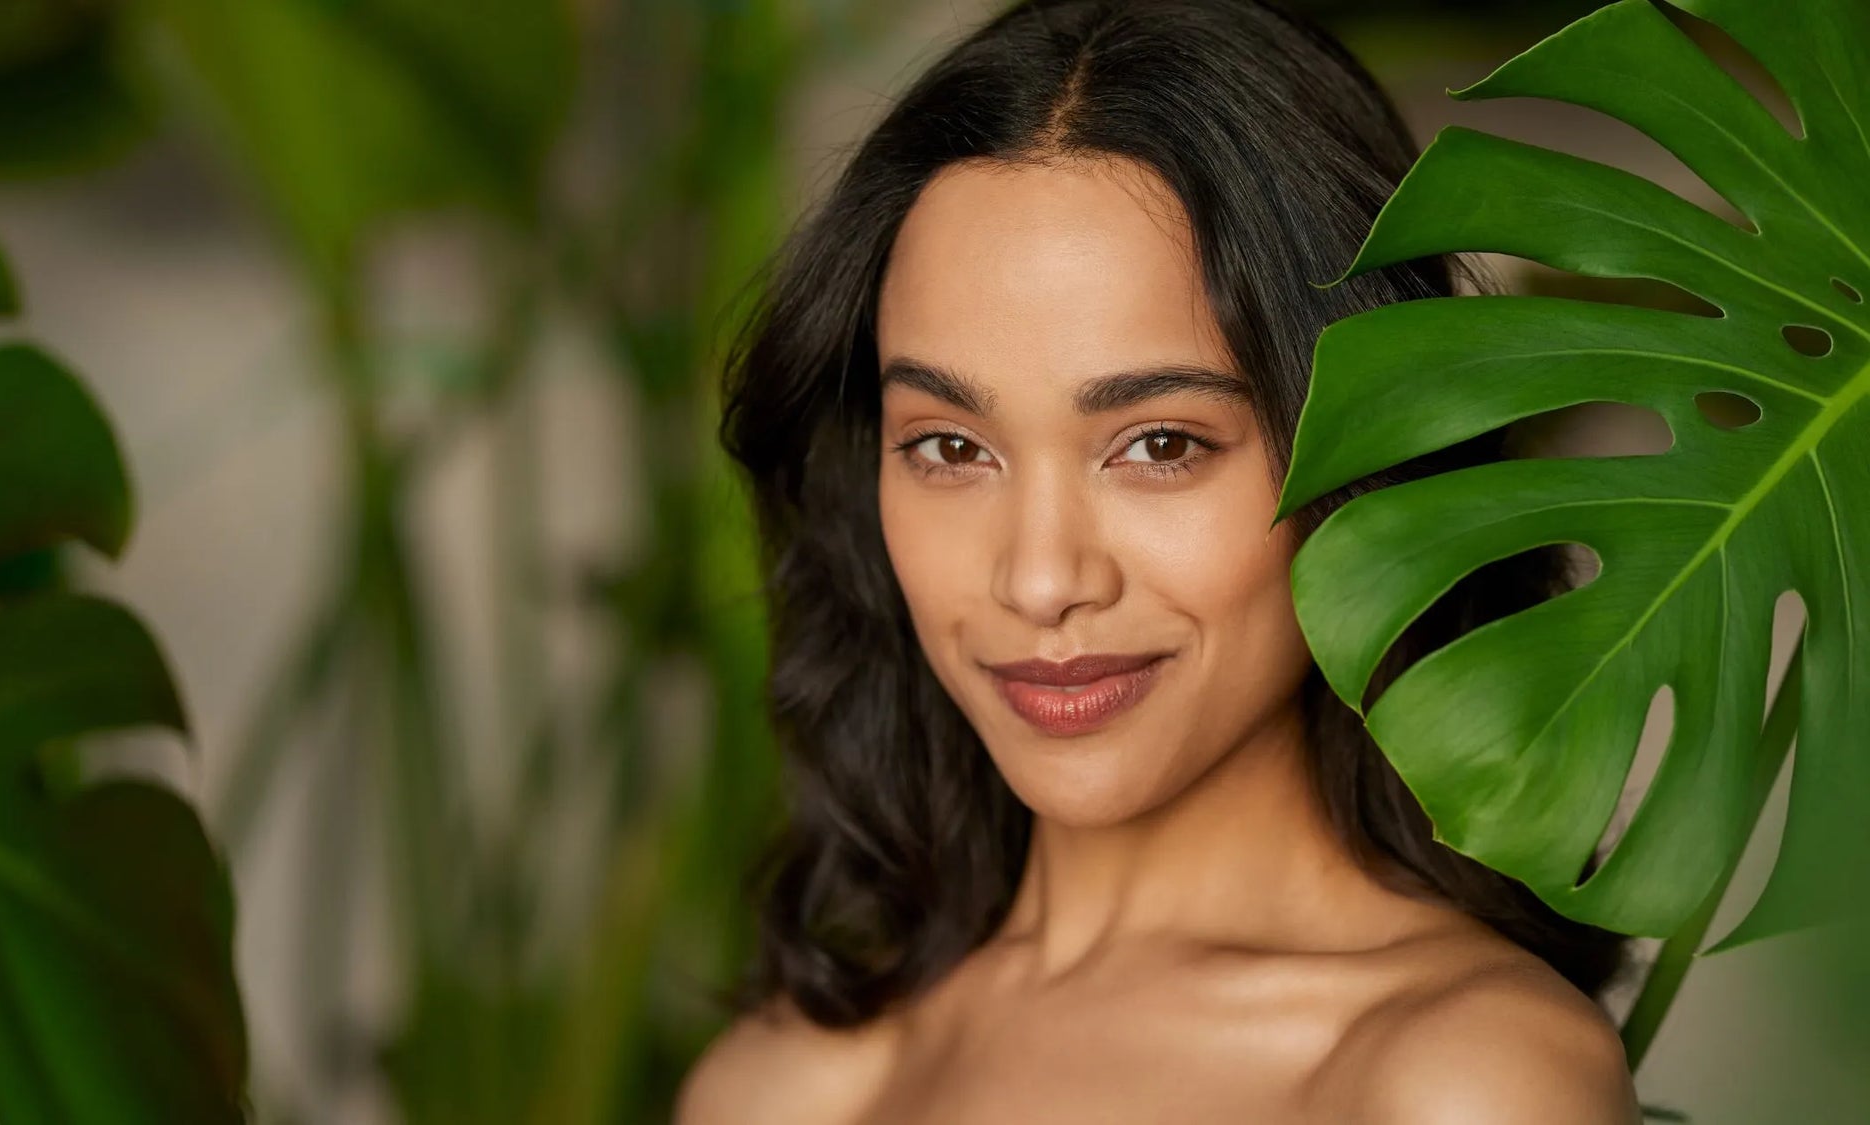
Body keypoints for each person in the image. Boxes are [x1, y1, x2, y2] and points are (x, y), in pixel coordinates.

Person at [681, 0, 1641, 1120]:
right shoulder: (782, 1090)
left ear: (1366, 454)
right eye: (949, 447)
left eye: (1159, 445)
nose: (1039, 581)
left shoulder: (1452, 1080)